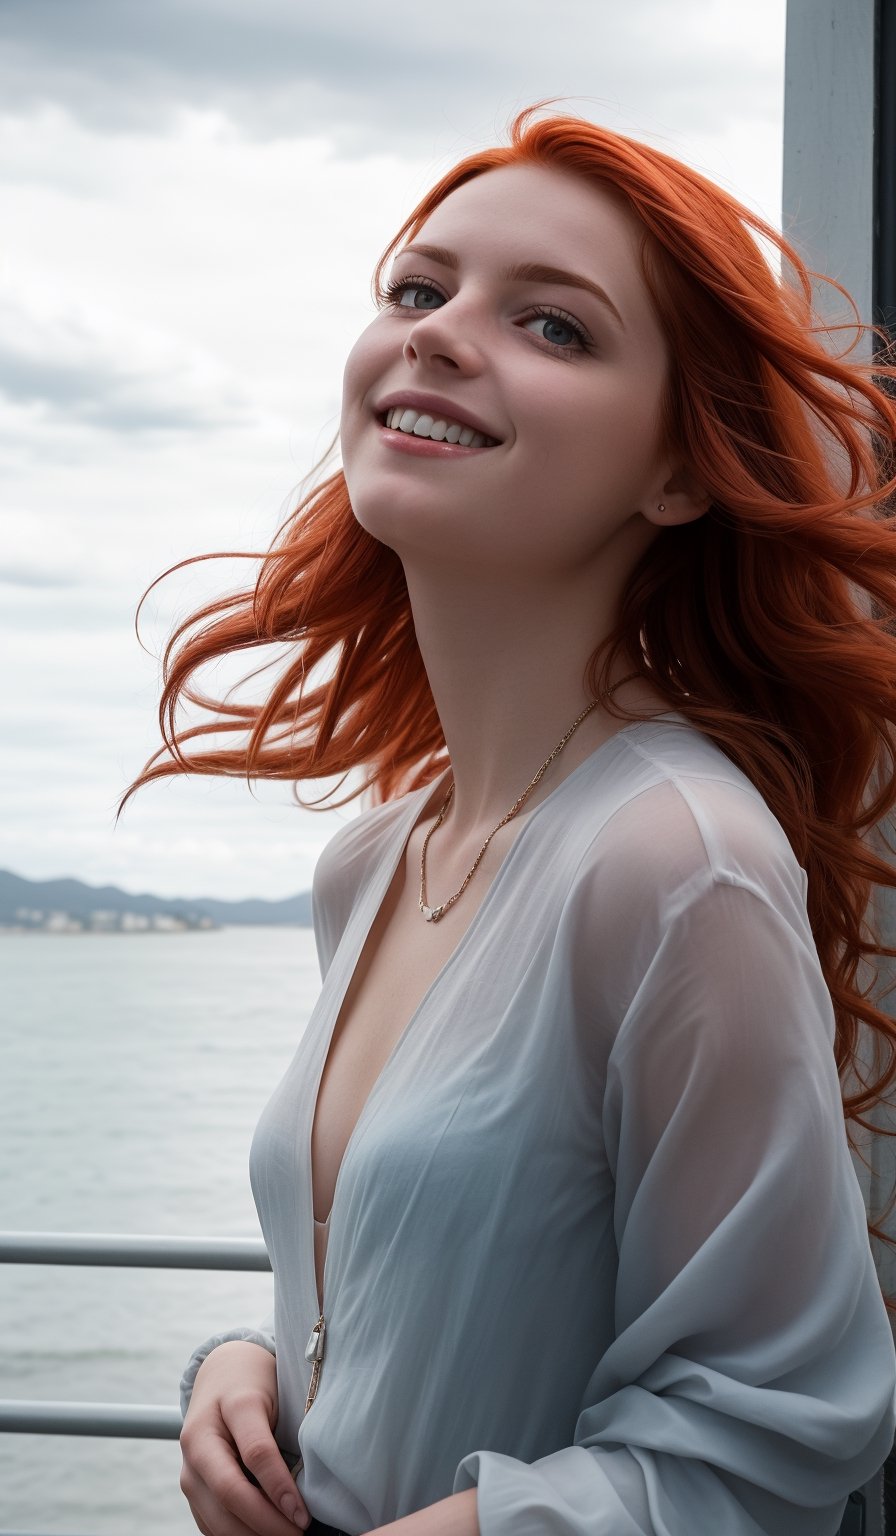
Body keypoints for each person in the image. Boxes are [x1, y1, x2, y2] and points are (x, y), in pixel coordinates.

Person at [121, 104, 896, 1536]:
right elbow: (416, 1298)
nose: (440, 331)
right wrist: (239, 1365)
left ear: (678, 470)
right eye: (420, 289)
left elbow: (775, 1433)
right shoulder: (374, 859)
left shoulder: (677, 862)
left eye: (554, 327)